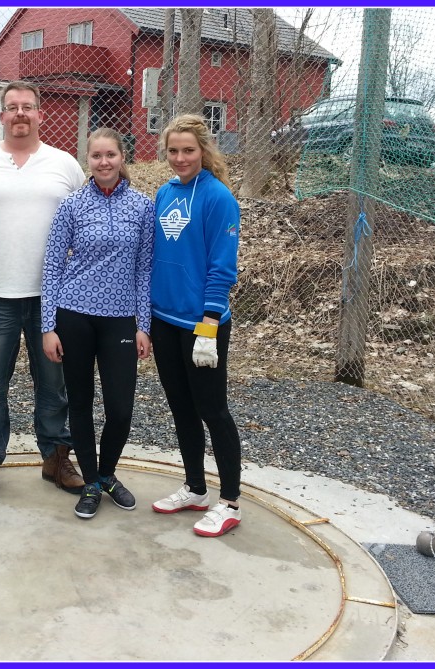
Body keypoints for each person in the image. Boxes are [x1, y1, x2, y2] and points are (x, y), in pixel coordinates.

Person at [0, 81, 87, 499]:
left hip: (54, 298)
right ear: (2, 115)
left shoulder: (65, 165)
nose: (20, 114)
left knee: (54, 382)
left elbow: (84, 223)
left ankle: (57, 456)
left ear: (41, 114)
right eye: (12, 108)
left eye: (28, 107)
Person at [40, 128, 155, 520]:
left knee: (120, 409)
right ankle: (90, 481)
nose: (103, 162)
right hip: (74, 317)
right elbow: (53, 265)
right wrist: (48, 326)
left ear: (123, 157)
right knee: (81, 404)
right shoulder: (71, 205)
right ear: (87, 160)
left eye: (111, 155)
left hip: (120, 321)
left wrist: (144, 325)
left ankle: (107, 474)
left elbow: (144, 269)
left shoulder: (143, 207)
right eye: (96, 156)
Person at [149, 114, 244, 537]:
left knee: (213, 410)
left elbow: (222, 267)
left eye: (188, 150)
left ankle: (230, 502)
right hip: (164, 320)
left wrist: (208, 325)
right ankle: (195, 487)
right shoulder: (163, 195)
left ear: (203, 151)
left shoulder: (218, 197)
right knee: (181, 408)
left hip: (201, 324)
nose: (180, 158)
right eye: (173, 150)